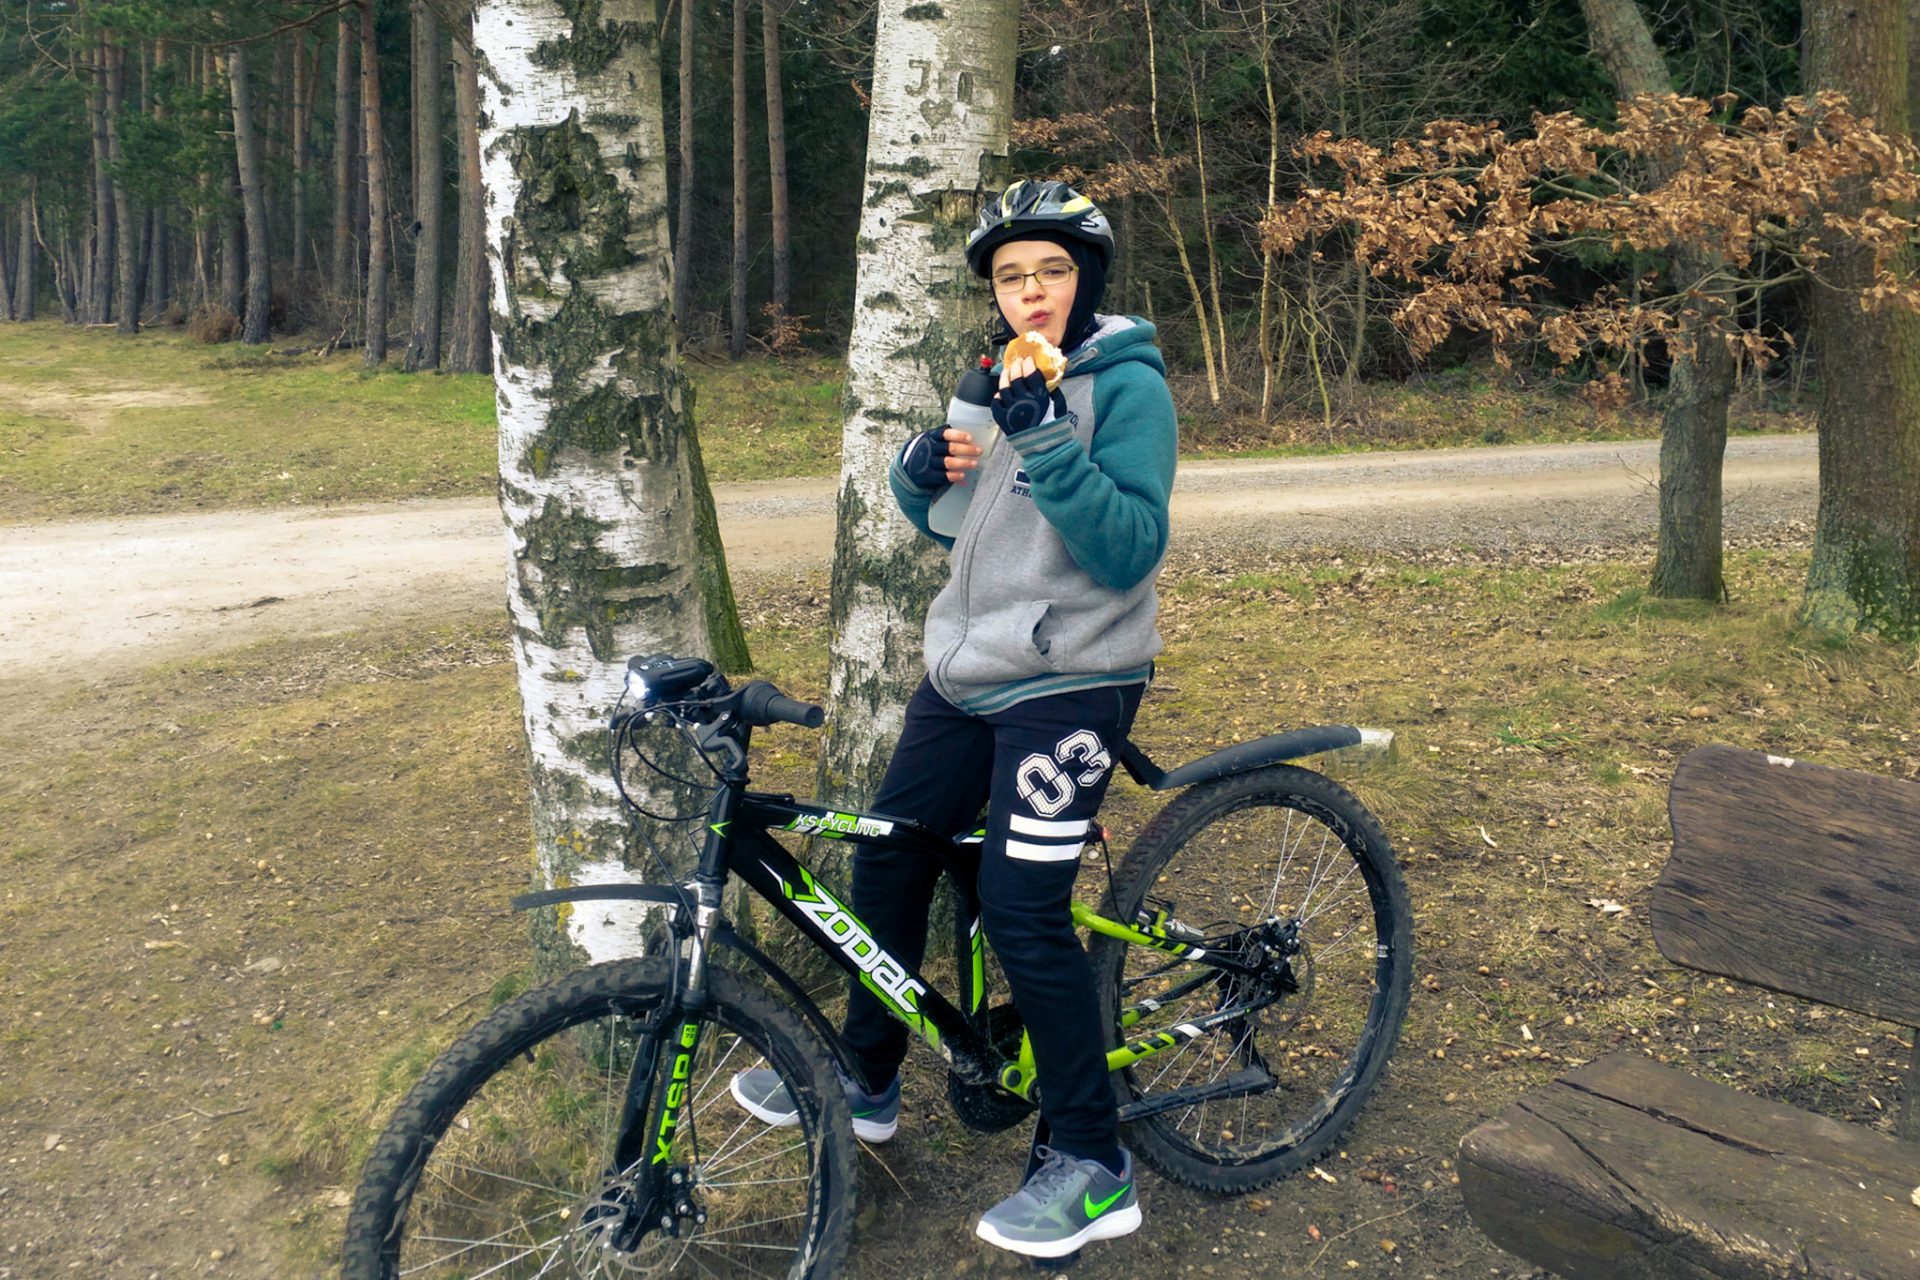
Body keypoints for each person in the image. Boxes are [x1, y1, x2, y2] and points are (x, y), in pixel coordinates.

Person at [732, 179, 1178, 1259]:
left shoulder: (1128, 387)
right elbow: (961, 526)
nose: (1033, 292)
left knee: (1024, 910)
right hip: (969, 673)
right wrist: (917, 475)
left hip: (1075, 678)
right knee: (888, 855)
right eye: (1013, 276)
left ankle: (1094, 1162)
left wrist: (1050, 439)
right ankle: (868, 1074)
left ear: (1087, 280)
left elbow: (1127, 549)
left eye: (1053, 271)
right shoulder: (995, 377)